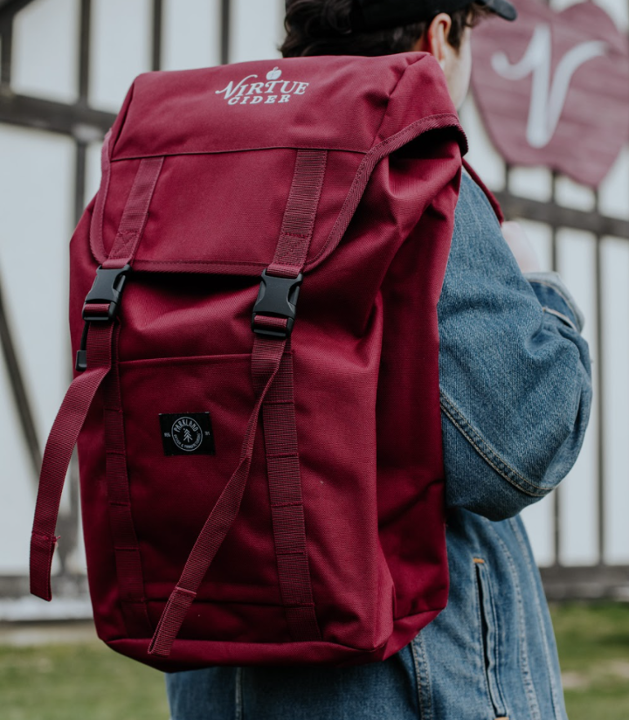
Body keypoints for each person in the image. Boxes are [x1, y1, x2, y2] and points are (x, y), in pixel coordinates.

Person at [166, 1, 592, 718]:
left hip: (223, 661)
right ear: (438, 36)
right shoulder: (405, 163)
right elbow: (520, 444)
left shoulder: (194, 165)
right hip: (404, 672)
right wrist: (538, 291)